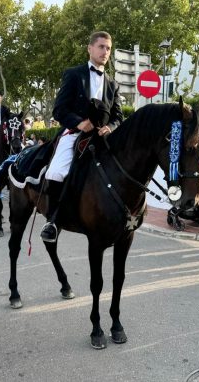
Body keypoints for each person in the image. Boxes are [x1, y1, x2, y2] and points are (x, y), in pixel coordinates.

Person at [40, 30, 123, 242]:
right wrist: (79, 122)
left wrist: (110, 128)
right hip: (75, 134)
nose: (105, 52)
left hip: (103, 137)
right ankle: (53, 220)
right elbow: (59, 110)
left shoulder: (113, 83)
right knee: (56, 172)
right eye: (101, 47)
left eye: (108, 48)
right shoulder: (74, 74)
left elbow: (118, 116)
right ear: (90, 48)